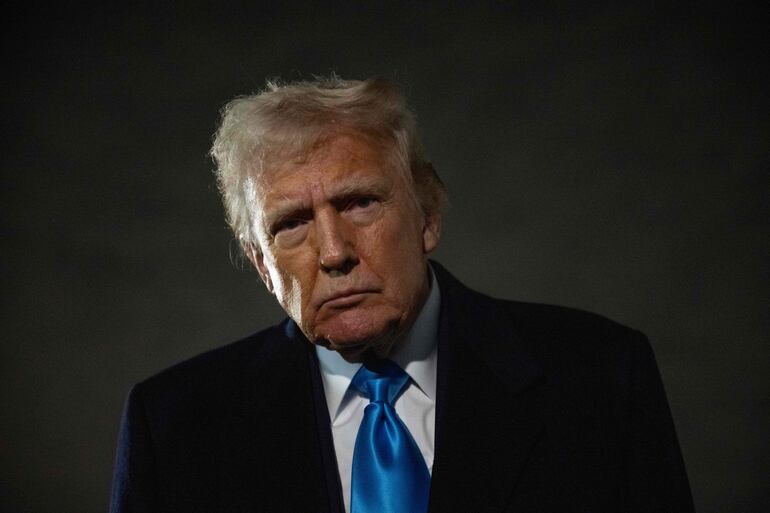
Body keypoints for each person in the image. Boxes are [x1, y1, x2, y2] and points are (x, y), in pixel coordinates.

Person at [110, 76, 694, 513]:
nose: (333, 251)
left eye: (359, 202)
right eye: (292, 223)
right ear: (263, 263)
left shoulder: (602, 376)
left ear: (429, 214)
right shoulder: (173, 427)